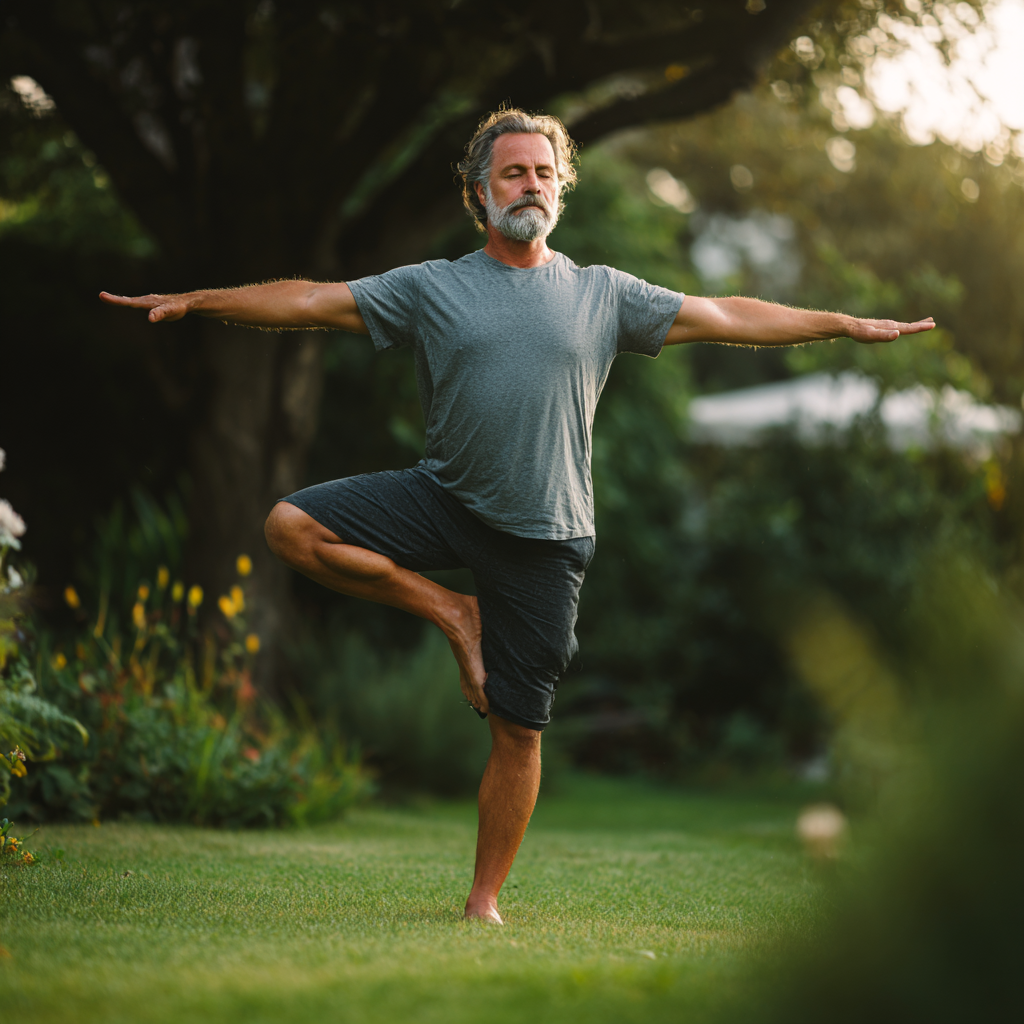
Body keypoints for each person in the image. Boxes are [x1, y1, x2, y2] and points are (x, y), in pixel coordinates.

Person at [101, 108, 934, 924]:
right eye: (512, 173)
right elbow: (313, 300)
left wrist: (839, 324)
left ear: (560, 188)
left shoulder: (604, 293)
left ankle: (483, 902)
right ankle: (453, 613)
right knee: (290, 526)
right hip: (444, 498)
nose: (530, 184)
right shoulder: (432, 287)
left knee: (519, 729)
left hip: (547, 533)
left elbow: (725, 315)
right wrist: (201, 300)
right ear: (480, 192)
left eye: (543, 172)